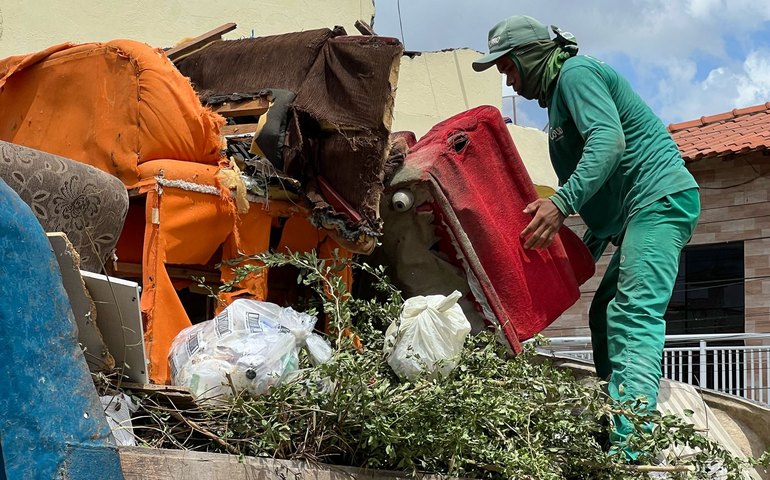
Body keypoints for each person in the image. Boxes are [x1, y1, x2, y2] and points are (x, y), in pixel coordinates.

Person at [473, 15, 700, 458]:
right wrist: (571, 261)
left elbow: (609, 142)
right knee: (603, 313)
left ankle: (633, 446)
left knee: (631, 315)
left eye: (509, 67)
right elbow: (601, 190)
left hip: (658, 200)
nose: (509, 80)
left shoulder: (576, 75)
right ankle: (613, 418)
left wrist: (560, 203)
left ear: (531, 56)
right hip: (634, 212)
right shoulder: (559, 102)